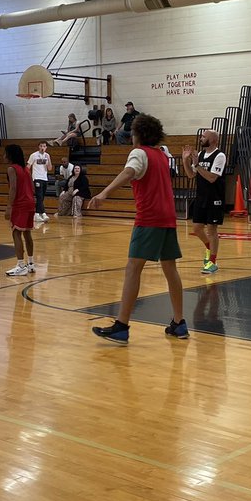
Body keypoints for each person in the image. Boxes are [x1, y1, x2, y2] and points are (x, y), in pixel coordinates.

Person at [88, 114, 187, 343]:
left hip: (149, 217)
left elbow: (129, 172)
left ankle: (121, 326)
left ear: (138, 134)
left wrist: (104, 193)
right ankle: (179, 323)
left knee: (133, 268)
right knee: (170, 269)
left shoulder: (139, 153)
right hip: (168, 217)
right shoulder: (162, 155)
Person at [182, 129, 226, 273]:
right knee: (196, 228)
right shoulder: (200, 155)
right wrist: (185, 160)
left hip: (214, 198)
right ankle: (209, 247)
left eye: (204, 137)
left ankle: (212, 262)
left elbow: (212, 178)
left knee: (212, 230)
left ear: (213, 140)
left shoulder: (220, 156)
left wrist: (197, 165)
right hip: (201, 197)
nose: (201, 139)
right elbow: (190, 175)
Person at [3, 144, 36, 276]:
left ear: (10, 155)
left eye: (5, 153)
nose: (3, 156)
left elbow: (13, 188)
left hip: (20, 204)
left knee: (16, 233)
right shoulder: (26, 169)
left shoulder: (12, 169)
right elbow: (32, 188)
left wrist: (9, 207)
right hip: (30, 203)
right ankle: (31, 264)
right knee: (27, 233)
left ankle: (21, 265)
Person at [27, 140, 52, 223]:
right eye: (41, 146)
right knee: (39, 196)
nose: (42, 148)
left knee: (42, 197)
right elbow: (28, 166)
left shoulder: (47, 155)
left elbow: (49, 168)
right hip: (37, 178)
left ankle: (37, 214)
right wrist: (29, 177)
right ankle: (42, 213)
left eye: (44, 146)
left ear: (46, 147)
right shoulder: (34, 155)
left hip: (44, 178)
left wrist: (48, 159)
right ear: (39, 147)